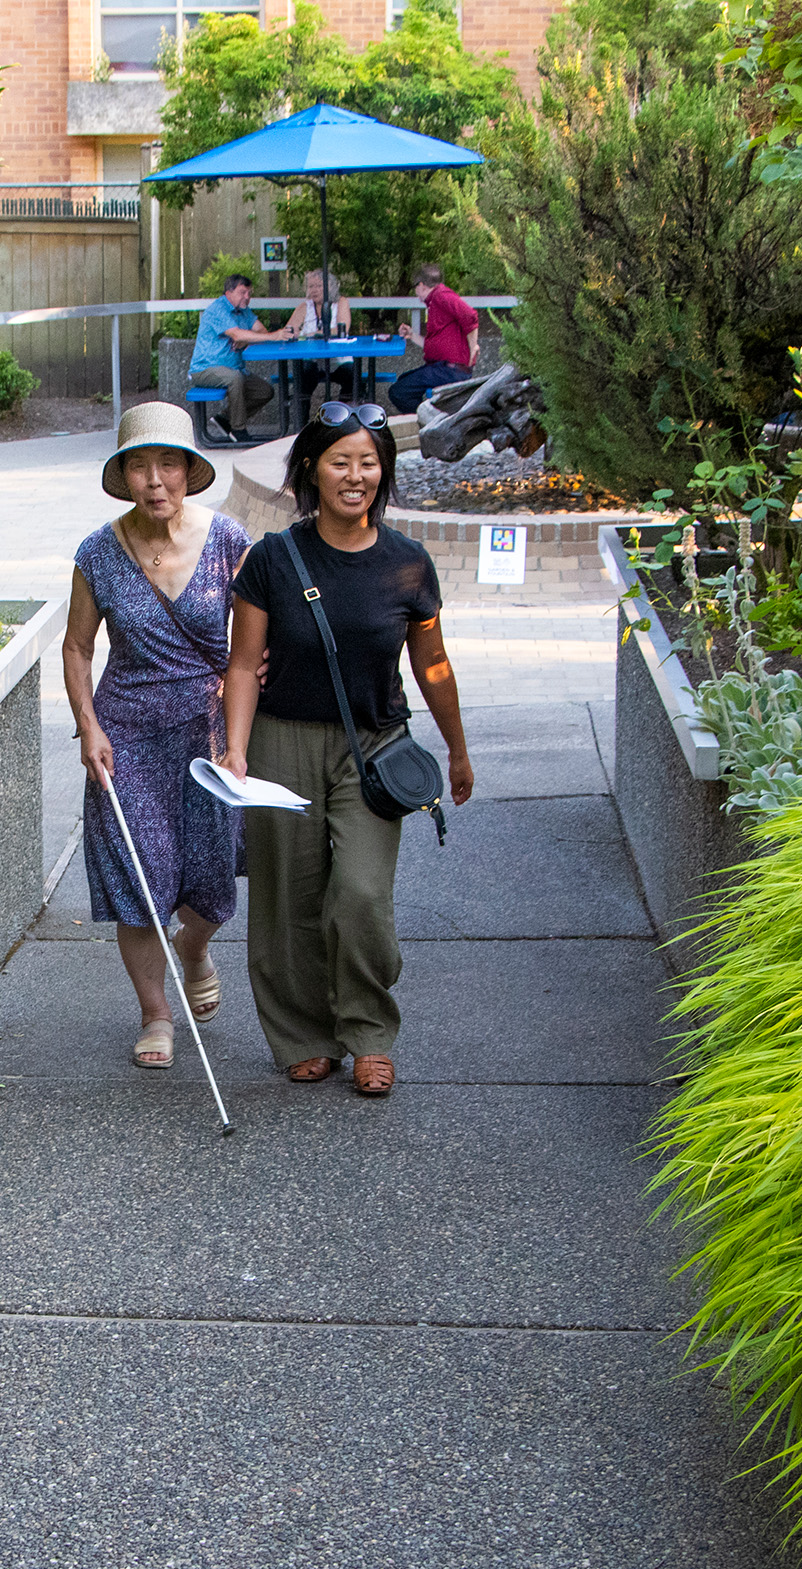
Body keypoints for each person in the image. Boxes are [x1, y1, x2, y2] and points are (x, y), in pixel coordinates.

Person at [218, 401, 474, 1098]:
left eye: (368, 462)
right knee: (288, 896)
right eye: (340, 461)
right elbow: (243, 664)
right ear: (311, 469)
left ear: (384, 472)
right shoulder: (273, 558)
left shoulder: (408, 564)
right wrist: (235, 750)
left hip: (373, 744)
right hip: (281, 741)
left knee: (359, 894)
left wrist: (456, 749)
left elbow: (433, 665)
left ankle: (366, 1031)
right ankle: (304, 1034)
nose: (355, 475)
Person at [63, 402, 253, 1069]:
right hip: (128, 735)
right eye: (140, 465)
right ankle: (155, 1012)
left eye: (168, 463)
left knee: (211, 879)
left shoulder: (230, 540)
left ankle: (194, 947)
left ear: (189, 469)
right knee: (140, 878)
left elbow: (249, 653)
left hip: (205, 733)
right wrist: (88, 727)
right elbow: (78, 649)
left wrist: (237, 744)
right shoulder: (97, 551)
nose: (155, 480)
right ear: (123, 473)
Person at [188, 274, 280, 442]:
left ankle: (225, 419)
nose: (247, 297)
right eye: (243, 292)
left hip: (235, 369)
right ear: (228, 293)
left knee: (265, 391)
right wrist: (274, 336)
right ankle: (238, 431)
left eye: (249, 293)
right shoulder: (218, 310)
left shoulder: (244, 311)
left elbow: (262, 332)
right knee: (234, 378)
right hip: (204, 369)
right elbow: (237, 334)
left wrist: (245, 339)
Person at [387, 262, 479, 415]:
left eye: (415, 288)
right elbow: (435, 345)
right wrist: (412, 335)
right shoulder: (436, 301)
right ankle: (430, 418)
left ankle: (429, 421)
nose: (416, 293)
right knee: (403, 381)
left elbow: (470, 316)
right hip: (444, 368)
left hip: (450, 370)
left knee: (399, 392)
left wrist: (473, 346)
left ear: (421, 285)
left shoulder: (441, 296)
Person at [279, 268, 358, 403]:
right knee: (303, 377)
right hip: (311, 359)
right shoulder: (304, 307)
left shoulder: (341, 303)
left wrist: (313, 334)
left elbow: (341, 329)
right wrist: (294, 333)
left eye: (319, 286)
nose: (314, 290)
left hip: (338, 360)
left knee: (353, 376)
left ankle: (340, 414)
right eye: (311, 286)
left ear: (330, 287)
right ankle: (302, 421)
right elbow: (288, 331)